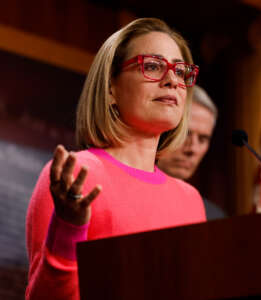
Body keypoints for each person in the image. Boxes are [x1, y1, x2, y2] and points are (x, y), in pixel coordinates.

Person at [25, 18, 206, 300]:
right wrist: (68, 228)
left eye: (181, 72)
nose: (172, 80)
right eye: (153, 66)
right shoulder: (76, 176)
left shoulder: (190, 200)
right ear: (111, 88)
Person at [157, 85, 226, 220]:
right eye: (185, 134)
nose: (192, 149)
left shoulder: (213, 217)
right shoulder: (126, 200)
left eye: (202, 139)